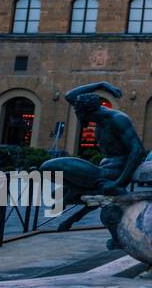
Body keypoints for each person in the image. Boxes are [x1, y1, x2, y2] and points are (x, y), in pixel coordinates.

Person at [40, 82, 146, 212]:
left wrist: (117, 182)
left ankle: (78, 190)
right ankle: (77, 190)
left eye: (77, 112)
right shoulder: (96, 114)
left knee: (47, 168)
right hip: (102, 169)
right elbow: (70, 96)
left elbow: (138, 151)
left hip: (110, 174)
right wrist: (102, 85)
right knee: (55, 193)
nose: (76, 113)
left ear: (85, 112)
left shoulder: (117, 119)